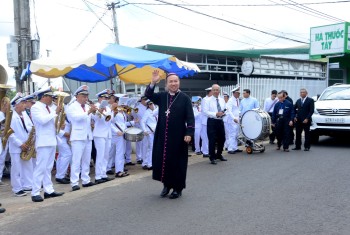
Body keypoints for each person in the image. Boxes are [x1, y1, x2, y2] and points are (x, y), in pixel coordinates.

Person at [144, 70, 194, 199]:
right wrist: (153, 82)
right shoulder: (162, 96)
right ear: (166, 83)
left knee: (178, 163)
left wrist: (189, 132)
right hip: (163, 136)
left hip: (178, 136)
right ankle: (166, 185)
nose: (173, 83)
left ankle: (178, 188)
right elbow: (148, 94)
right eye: (171, 81)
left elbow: (190, 117)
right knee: (163, 160)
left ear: (179, 82)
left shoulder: (185, 98)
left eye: (175, 81)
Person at [31, 87, 64, 202]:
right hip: (43, 142)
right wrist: (55, 113)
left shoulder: (49, 108)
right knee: (40, 167)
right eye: (50, 96)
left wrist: (59, 122)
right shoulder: (35, 108)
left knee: (48, 168)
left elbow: (51, 123)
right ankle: (35, 192)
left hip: (51, 140)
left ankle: (48, 190)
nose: (52, 99)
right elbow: (42, 121)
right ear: (43, 97)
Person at [66, 85, 97, 191]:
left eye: (86, 96)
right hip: (78, 137)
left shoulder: (87, 106)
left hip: (88, 136)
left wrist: (96, 111)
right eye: (83, 96)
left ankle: (86, 180)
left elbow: (93, 118)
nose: (85, 98)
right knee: (76, 160)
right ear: (77, 96)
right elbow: (76, 118)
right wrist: (88, 112)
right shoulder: (72, 106)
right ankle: (74, 182)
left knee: (86, 160)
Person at [8, 93, 34, 197]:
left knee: (28, 165)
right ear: (17, 104)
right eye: (23, 103)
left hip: (26, 144)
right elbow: (9, 133)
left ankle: (28, 185)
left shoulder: (24, 115)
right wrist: (20, 144)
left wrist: (30, 140)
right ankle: (17, 188)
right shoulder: (10, 116)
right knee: (16, 168)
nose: (25, 105)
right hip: (16, 146)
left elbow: (30, 127)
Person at [92, 89, 114, 184]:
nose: (107, 99)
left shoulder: (108, 108)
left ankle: (103, 174)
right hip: (99, 134)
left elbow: (110, 120)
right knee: (100, 155)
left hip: (107, 134)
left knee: (106, 155)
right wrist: (100, 111)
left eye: (107, 97)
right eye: (105, 97)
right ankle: (98, 176)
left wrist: (111, 110)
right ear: (100, 98)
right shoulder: (96, 106)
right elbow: (95, 119)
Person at [202, 84, 227, 164]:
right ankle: (212, 157)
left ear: (219, 91)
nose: (216, 91)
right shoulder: (207, 100)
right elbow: (205, 112)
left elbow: (224, 109)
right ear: (212, 91)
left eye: (217, 90)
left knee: (222, 139)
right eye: (214, 90)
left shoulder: (222, 100)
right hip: (212, 121)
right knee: (212, 140)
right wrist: (215, 114)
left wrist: (223, 113)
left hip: (220, 121)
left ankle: (219, 154)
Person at [140, 100, 158, 170]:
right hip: (149, 131)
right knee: (151, 147)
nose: (151, 105)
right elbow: (142, 121)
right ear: (148, 105)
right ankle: (149, 164)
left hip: (155, 131)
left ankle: (146, 162)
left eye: (152, 104)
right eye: (150, 104)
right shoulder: (147, 112)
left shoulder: (156, 110)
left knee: (151, 148)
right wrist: (144, 130)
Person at [226, 86, 242, 154]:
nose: (239, 94)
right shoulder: (230, 100)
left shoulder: (237, 99)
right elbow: (229, 111)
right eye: (238, 93)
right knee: (232, 134)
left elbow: (237, 109)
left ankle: (235, 147)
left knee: (236, 134)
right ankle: (230, 148)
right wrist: (234, 118)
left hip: (237, 119)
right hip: (232, 120)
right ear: (234, 93)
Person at [200, 88, 212, 158]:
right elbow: (205, 111)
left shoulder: (211, 99)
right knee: (205, 137)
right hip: (205, 121)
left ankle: (207, 150)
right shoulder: (205, 99)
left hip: (210, 120)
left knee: (209, 137)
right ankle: (205, 152)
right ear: (210, 92)